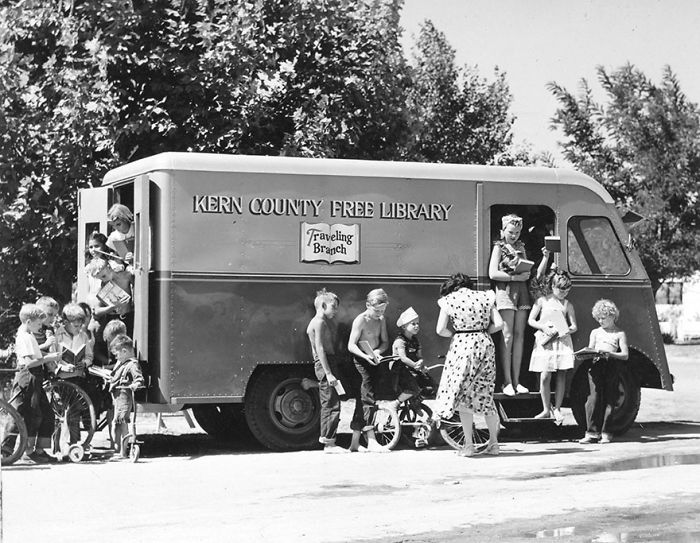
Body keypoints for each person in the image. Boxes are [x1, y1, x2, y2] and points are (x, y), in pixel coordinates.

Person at [434, 273, 503, 457]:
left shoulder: (449, 300)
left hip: (462, 344)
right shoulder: (485, 296)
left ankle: (469, 445)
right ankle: (494, 444)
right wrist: (484, 331)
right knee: (486, 394)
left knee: (463, 396)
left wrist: (457, 334)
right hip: (485, 343)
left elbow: (440, 329)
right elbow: (500, 324)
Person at [6, 304, 62, 463]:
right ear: (29, 321)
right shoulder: (25, 336)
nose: (41, 327)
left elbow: (35, 353)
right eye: (39, 324)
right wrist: (50, 358)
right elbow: (30, 362)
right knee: (23, 413)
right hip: (28, 376)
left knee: (45, 413)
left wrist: (49, 354)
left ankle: (38, 449)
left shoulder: (28, 334)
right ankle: (8, 449)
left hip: (35, 376)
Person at [489, 214, 532, 396]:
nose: (514, 235)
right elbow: (492, 273)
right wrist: (515, 277)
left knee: (519, 335)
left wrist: (525, 275)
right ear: (503, 231)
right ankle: (506, 381)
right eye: (510, 232)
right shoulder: (498, 247)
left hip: (521, 291)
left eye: (517, 232)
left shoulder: (521, 247)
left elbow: (527, 268)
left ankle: (517, 380)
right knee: (507, 336)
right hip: (505, 291)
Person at [527, 269, 577, 424]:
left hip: (561, 341)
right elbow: (531, 320)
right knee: (545, 375)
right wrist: (543, 328)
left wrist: (566, 331)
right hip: (546, 340)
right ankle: (545, 408)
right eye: (561, 289)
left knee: (561, 374)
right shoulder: (542, 301)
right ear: (552, 286)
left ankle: (558, 408)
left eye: (567, 290)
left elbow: (574, 325)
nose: (563, 293)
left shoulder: (568, 304)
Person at [579, 299, 629, 444]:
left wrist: (610, 354)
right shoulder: (595, 332)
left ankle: (607, 432)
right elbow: (590, 348)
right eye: (598, 318)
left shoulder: (619, 333)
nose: (600, 321)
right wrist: (586, 354)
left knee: (610, 398)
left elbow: (625, 355)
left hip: (611, 365)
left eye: (603, 318)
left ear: (612, 316)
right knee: (593, 398)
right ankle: (591, 433)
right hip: (596, 365)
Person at [347, 288, 390, 453]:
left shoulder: (381, 319)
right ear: (367, 305)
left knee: (362, 399)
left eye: (382, 310)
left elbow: (384, 341)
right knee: (368, 398)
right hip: (361, 361)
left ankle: (355, 442)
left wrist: (377, 352)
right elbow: (351, 345)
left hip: (374, 359)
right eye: (377, 310)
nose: (379, 313)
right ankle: (371, 440)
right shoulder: (361, 320)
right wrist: (365, 356)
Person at [306, 288, 346, 453]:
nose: (335, 311)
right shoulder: (320, 322)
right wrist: (329, 373)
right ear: (323, 305)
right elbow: (320, 349)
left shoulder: (314, 323)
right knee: (331, 403)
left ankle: (329, 440)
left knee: (328, 401)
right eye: (333, 307)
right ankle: (329, 443)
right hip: (326, 363)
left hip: (323, 364)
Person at [53, 303, 94, 448]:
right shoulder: (57, 335)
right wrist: (62, 366)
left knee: (75, 412)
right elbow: (52, 358)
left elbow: (89, 356)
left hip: (77, 378)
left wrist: (85, 363)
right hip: (61, 379)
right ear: (65, 323)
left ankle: (74, 445)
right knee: (58, 413)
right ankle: (56, 447)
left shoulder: (83, 336)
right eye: (75, 326)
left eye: (80, 325)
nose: (78, 329)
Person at [108, 334, 144, 457]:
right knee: (117, 424)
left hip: (124, 398)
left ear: (124, 351)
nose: (116, 358)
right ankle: (119, 449)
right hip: (118, 399)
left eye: (116, 355)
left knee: (122, 423)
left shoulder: (132, 364)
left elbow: (139, 378)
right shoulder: (123, 363)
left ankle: (123, 451)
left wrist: (136, 384)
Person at [85, 257, 134, 337]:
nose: (103, 280)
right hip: (112, 319)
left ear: (109, 267)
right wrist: (113, 307)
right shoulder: (103, 286)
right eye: (100, 278)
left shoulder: (127, 276)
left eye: (104, 276)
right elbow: (97, 311)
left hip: (129, 316)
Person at [389, 307, 424, 410]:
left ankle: (415, 402)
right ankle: (396, 403)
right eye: (413, 324)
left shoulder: (415, 341)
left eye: (418, 323)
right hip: (400, 371)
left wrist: (421, 364)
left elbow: (419, 356)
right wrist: (415, 365)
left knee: (428, 385)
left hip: (412, 369)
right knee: (412, 387)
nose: (417, 326)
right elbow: (403, 358)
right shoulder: (400, 341)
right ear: (404, 326)